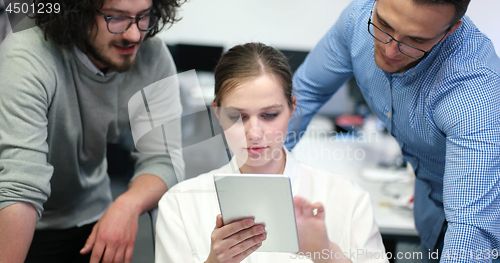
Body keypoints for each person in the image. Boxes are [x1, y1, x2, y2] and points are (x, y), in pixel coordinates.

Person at [285, 0, 500, 262]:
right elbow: (306, 93)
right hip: (430, 207)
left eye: (414, 41)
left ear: (451, 31)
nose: (389, 49)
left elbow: (472, 227)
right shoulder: (357, 19)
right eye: (384, 25)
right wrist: (259, 175)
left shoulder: (474, 94)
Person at [155, 43, 387, 263]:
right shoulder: (180, 204)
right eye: (237, 116)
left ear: (292, 109)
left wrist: (326, 254)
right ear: (217, 113)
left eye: (270, 115)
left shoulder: (348, 199)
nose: (254, 133)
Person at [0, 0, 185, 262]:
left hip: (91, 214)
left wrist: (127, 205)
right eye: (116, 18)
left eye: (143, 16)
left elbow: (163, 159)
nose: (134, 34)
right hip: (16, 218)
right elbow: (21, 187)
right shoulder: (27, 56)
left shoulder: (153, 57)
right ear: (79, 14)